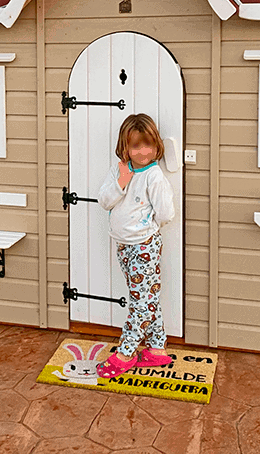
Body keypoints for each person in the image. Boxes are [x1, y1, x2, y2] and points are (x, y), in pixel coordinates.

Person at [95, 113, 176, 379]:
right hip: (123, 245)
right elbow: (105, 201)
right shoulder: (120, 170)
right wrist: (122, 180)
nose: (142, 152)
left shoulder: (154, 176)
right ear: (125, 147)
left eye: (148, 145)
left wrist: (147, 230)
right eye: (135, 146)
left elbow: (166, 212)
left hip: (144, 246)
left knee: (141, 302)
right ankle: (156, 349)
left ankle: (126, 352)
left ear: (156, 146)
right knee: (145, 296)